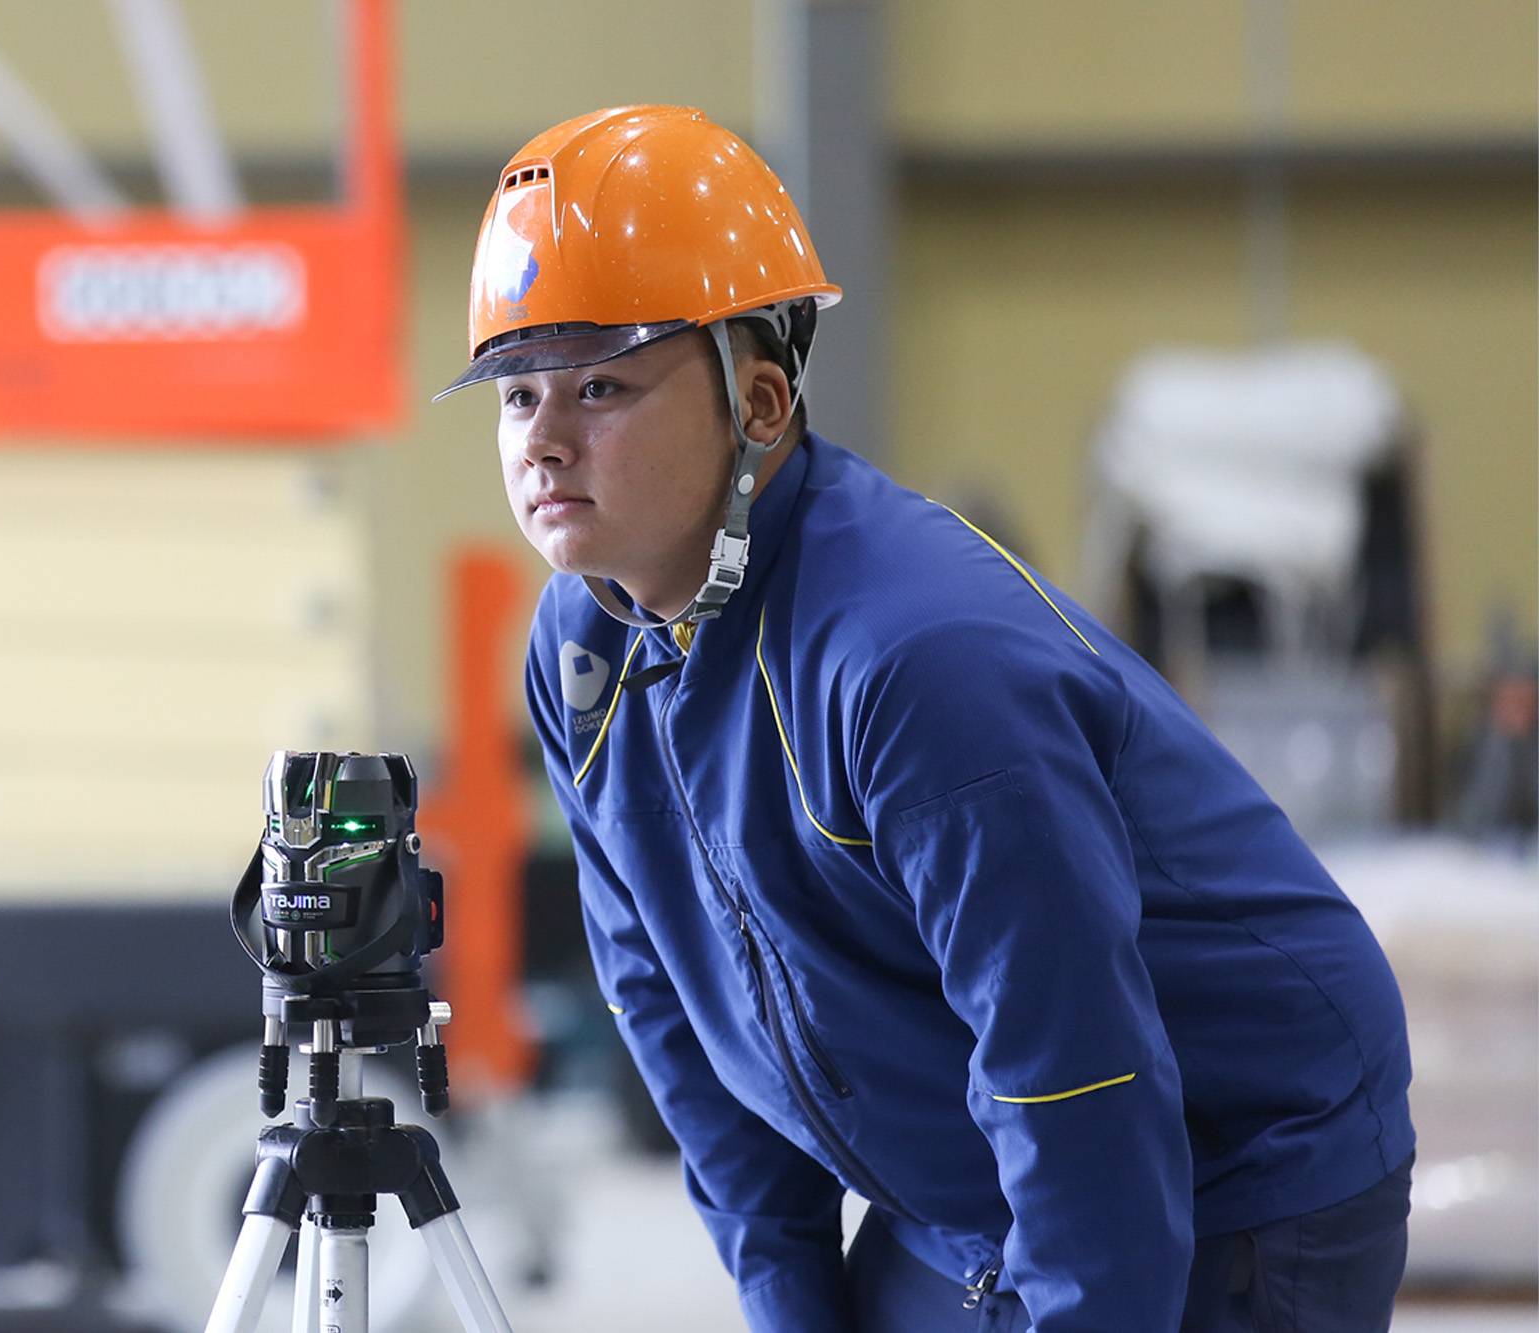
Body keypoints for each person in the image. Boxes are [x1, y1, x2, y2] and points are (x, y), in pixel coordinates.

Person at [438, 105, 1413, 1333]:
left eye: (599, 386)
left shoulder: (909, 660)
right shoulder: (582, 648)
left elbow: (1073, 1069)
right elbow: (670, 1011)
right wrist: (788, 1298)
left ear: (759, 402)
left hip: (1227, 1148)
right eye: (516, 394)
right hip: (962, 1168)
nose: (542, 441)